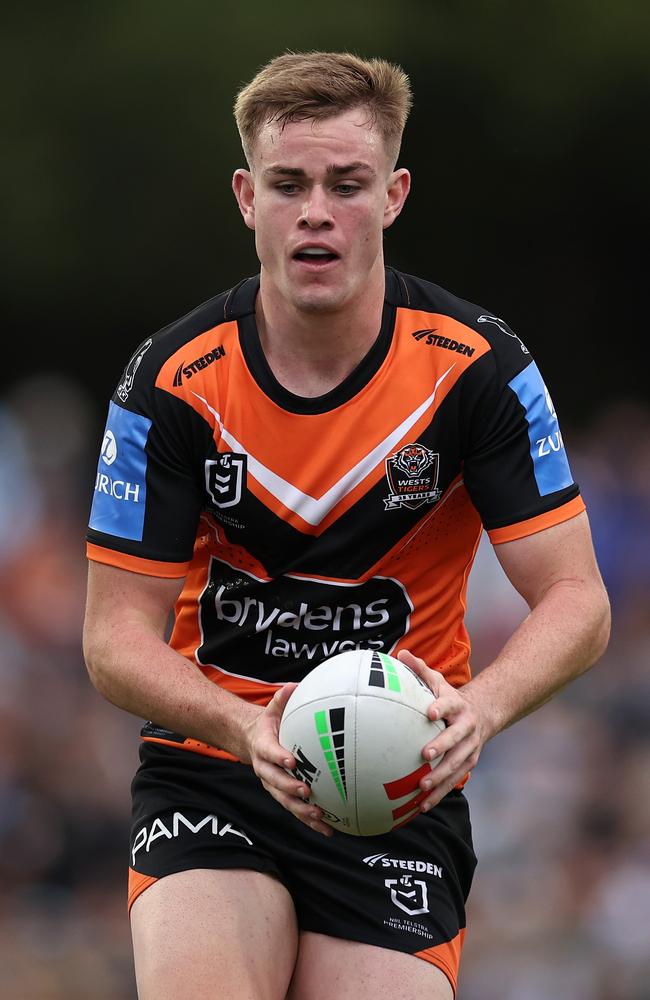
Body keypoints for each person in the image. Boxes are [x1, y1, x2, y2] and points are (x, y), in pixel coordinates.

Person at [83, 52, 610, 1000]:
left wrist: (479, 712)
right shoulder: (171, 381)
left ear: (395, 194)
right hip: (216, 767)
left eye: (346, 184)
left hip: (400, 785)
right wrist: (244, 729)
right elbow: (113, 637)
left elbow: (579, 599)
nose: (315, 210)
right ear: (247, 197)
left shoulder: (478, 368)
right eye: (289, 185)